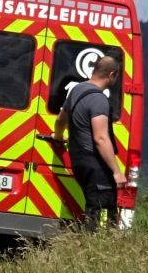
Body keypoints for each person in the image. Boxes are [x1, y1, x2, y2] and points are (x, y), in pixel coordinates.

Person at [54, 55, 126, 230]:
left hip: (78, 160)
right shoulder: (98, 100)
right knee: (101, 209)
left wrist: (58, 137)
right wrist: (116, 172)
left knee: (94, 204)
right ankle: (94, 243)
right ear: (111, 74)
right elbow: (100, 138)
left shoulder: (76, 90)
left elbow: (60, 120)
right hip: (95, 164)